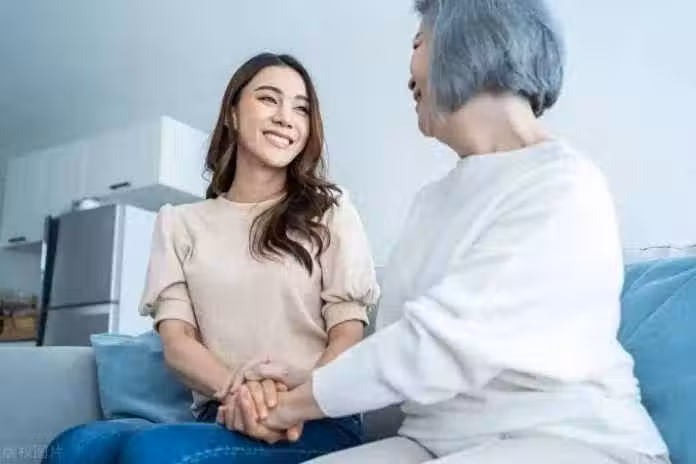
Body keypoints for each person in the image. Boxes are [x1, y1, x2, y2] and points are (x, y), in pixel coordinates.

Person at [227, 1, 672, 463]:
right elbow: (399, 356)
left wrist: (289, 407)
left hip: (571, 438)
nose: (408, 73)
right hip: (434, 440)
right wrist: (304, 383)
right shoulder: (431, 201)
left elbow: (440, 347)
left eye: (418, 43)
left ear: (471, 44)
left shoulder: (564, 185)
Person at [42, 52, 379, 464]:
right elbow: (178, 343)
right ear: (232, 114)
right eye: (268, 99)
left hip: (316, 417)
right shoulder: (179, 223)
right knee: (74, 447)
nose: (285, 118)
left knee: (153, 451)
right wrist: (242, 395)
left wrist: (292, 405)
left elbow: (347, 336)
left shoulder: (330, 210)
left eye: (301, 108)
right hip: (222, 412)